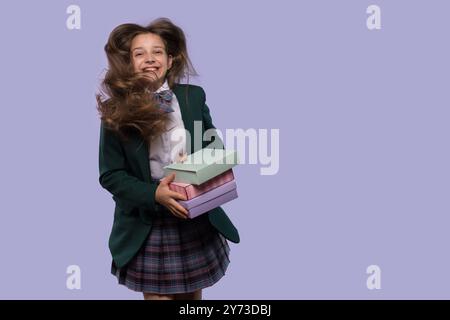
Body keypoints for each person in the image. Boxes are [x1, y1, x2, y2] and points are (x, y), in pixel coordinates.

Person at [96, 17, 240, 300]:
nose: (149, 59)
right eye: (140, 53)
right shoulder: (116, 110)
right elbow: (110, 175)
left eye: (157, 51)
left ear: (171, 60)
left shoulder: (193, 97)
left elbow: (213, 141)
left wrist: (203, 163)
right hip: (148, 221)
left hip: (194, 213)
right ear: (129, 63)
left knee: (191, 296)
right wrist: (154, 195)